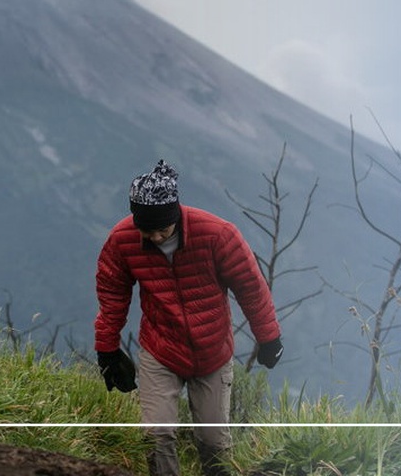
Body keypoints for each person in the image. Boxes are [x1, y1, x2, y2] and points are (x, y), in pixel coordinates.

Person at [94, 160, 284, 476]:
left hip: (213, 353)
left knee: (213, 442)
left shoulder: (217, 235)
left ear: (176, 217)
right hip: (161, 350)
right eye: (146, 230)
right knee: (157, 435)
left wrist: (269, 337)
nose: (154, 237)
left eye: (162, 230)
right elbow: (112, 295)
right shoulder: (122, 240)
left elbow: (250, 287)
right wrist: (107, 350)